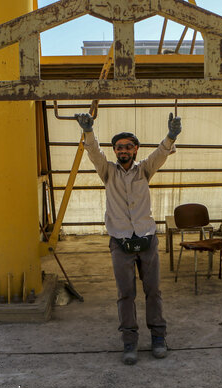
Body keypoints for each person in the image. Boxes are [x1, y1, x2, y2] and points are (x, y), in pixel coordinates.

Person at [75, 112, 182, 365]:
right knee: (125, 293)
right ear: (114, 151)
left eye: (128, 146)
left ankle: (158, 337)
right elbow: (94, 154)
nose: (123, 150)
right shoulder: (107, 172)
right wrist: (88, 132)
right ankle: (129, 342)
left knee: (153, 291)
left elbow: (161, 154)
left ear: (135, 150)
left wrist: (171, 136)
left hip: (146, 240)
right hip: (120, 242)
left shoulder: (144, 170)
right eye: (119, 147)